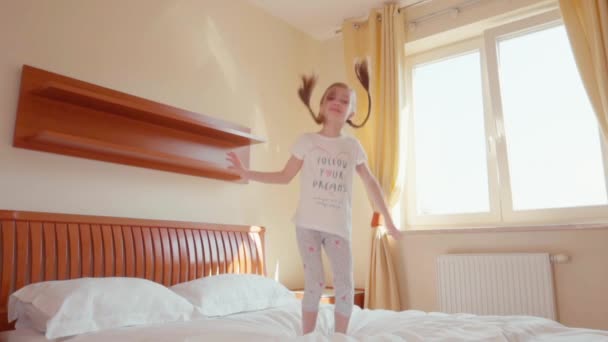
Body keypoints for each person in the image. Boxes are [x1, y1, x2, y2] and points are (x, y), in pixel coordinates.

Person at [227, 62, 400, 335]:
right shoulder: (306, 141)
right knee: (314, 283)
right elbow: (284, 176)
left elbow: (371, 183)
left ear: (351, 112)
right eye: (331, 97)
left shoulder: (352, 146)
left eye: (344, 100)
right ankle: (307, 337)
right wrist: (246, 172)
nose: (337, 102)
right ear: (321, 107)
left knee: (345, 283)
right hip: (307, 225)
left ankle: (340, 337)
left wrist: (389, 221)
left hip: (338, 228)